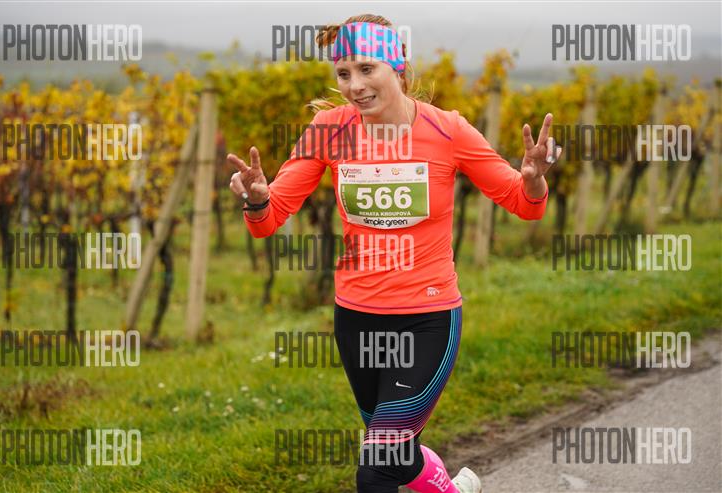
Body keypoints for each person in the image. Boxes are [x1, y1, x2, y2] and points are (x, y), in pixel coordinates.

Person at [229, 14, 561, 493]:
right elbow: (269, 219)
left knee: (377, 466)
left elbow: (523, 204)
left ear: (397, 66)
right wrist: (258, 199)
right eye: (344, 73)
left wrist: (532, 180)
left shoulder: (448, 131)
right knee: (397, 454)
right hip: (356, 319)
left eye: (367, 69)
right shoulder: (328, 130)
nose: (354, 85)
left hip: (427, 319)